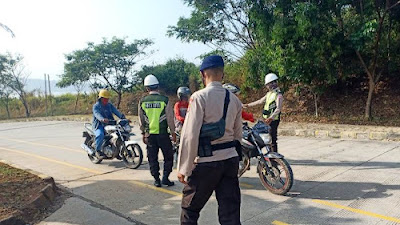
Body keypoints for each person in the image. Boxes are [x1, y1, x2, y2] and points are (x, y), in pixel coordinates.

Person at [177, 55, 243, 225]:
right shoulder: (234, 99)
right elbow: (237, 135)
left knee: (190, 210)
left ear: (202, 74)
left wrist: (184, 167)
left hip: (206, 163)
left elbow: (190, 134)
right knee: (230, 214)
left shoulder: (199, 97)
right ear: (222, 74)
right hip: (229, 161)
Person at [138, 74, 176, 187]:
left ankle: (156, 179)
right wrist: (173, 133)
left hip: (150, 135)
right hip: (163, 134)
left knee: (152, 158)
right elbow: (170, 118)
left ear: (147, 88)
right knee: (168, 157)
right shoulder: (165, 100)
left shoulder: (143, 101)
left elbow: (141, 120)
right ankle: (165, 178)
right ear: (157, 86)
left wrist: (143, 133)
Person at [243, 73, 283, 152]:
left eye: (268, 84)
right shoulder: (269, 94)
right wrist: (248, 105)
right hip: (266, 119)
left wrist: (271, 118)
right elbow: (260, 101)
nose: (267, 86)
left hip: (273, 120)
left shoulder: (278, 95)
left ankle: (274, 159)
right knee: (263, 138)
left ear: (272, 83)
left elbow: (278, 109)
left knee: (272, 139)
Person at [92, 89, 125, 158]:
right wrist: (102, 119)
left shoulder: (109, 105)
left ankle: (117, 151)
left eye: (107, 99)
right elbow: (97, 114)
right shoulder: (96, 106)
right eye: (105, 99)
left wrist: (123, 117)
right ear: (101, 98)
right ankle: (97, 151)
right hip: (99, 125)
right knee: (100, 135)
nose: (106, 100)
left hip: (110, 124)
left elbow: (116, 112)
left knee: (118, 134)